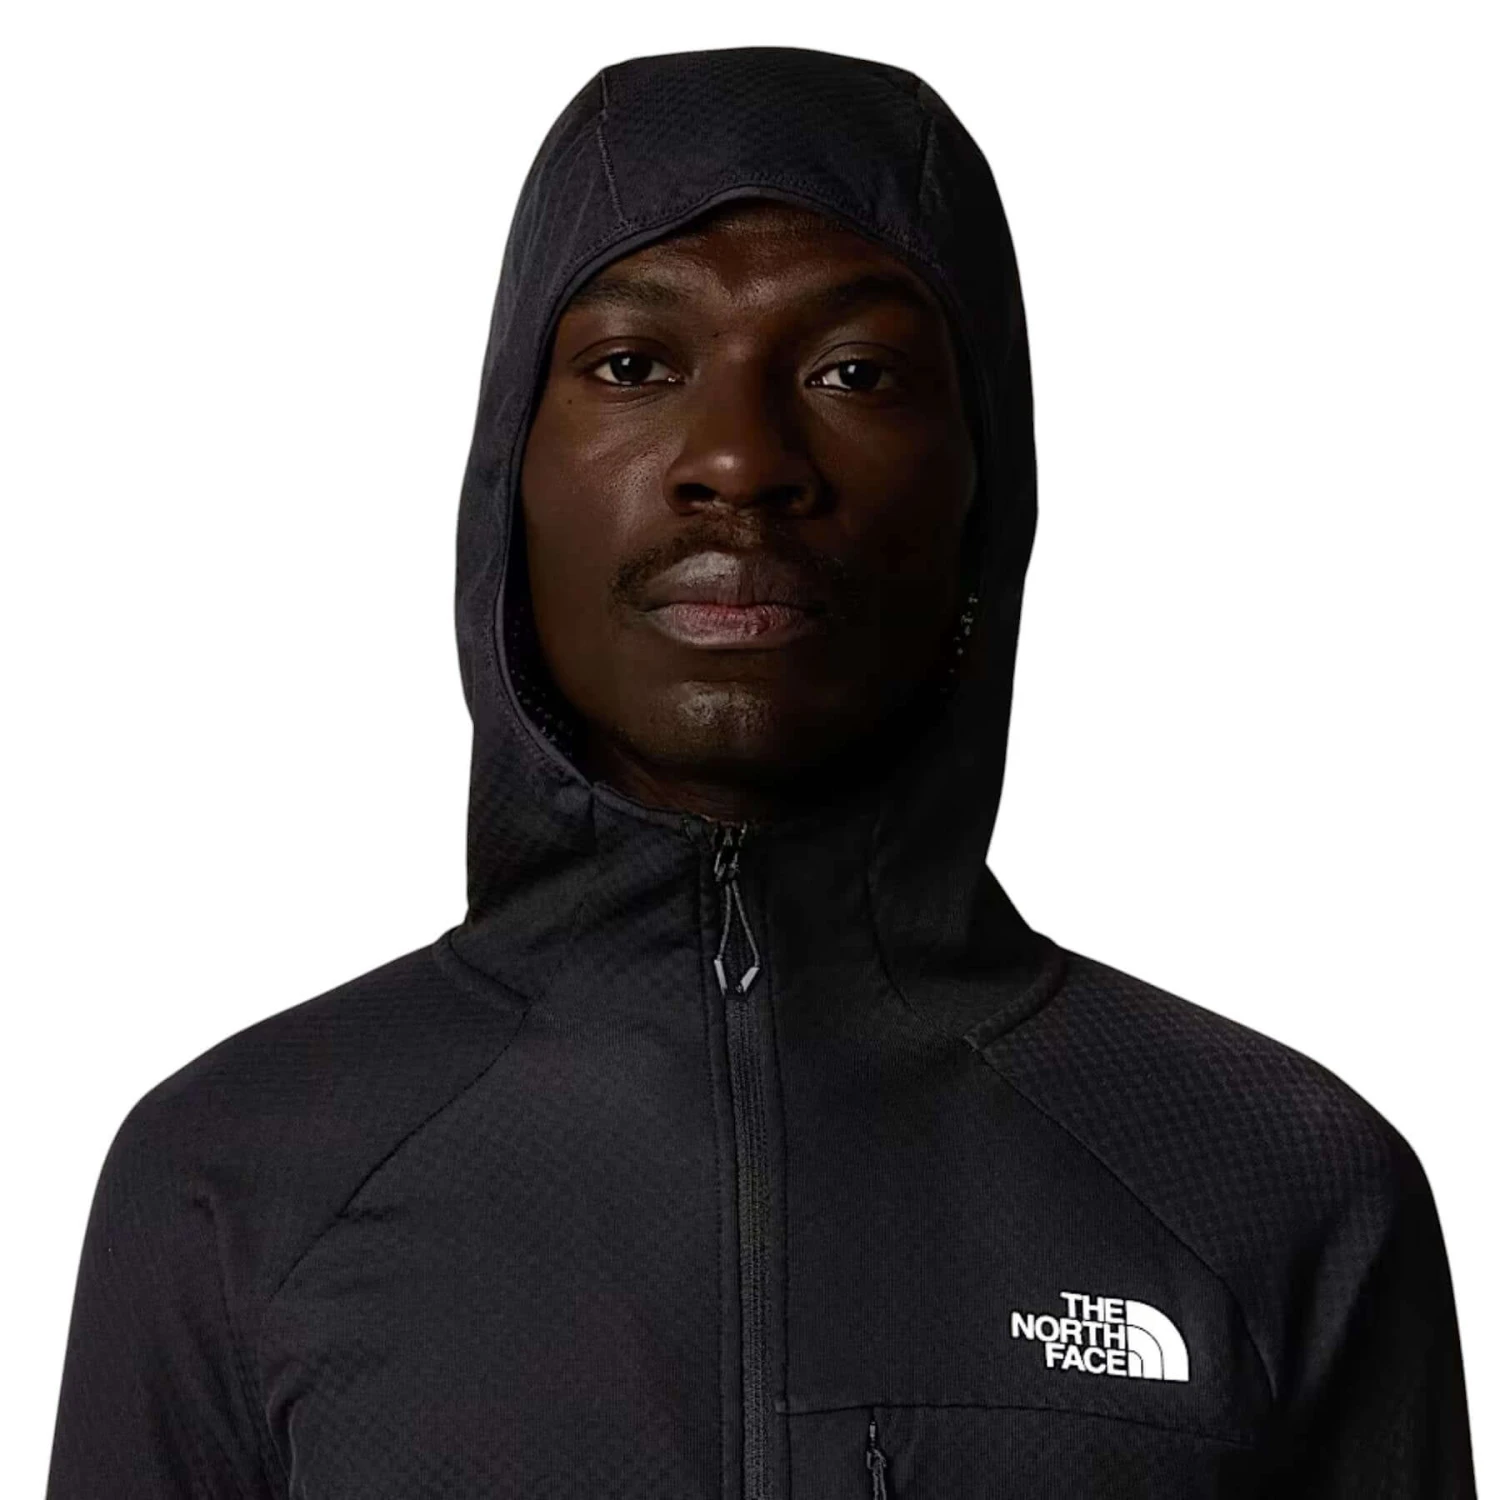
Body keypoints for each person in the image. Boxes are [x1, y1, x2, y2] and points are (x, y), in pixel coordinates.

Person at [45, 44, 1475, 1500]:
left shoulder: (1272, 1184)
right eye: (633, 365)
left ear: (983, 493)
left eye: (856, 372)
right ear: (509, 481)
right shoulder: (236, 1179)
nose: (739, 460)